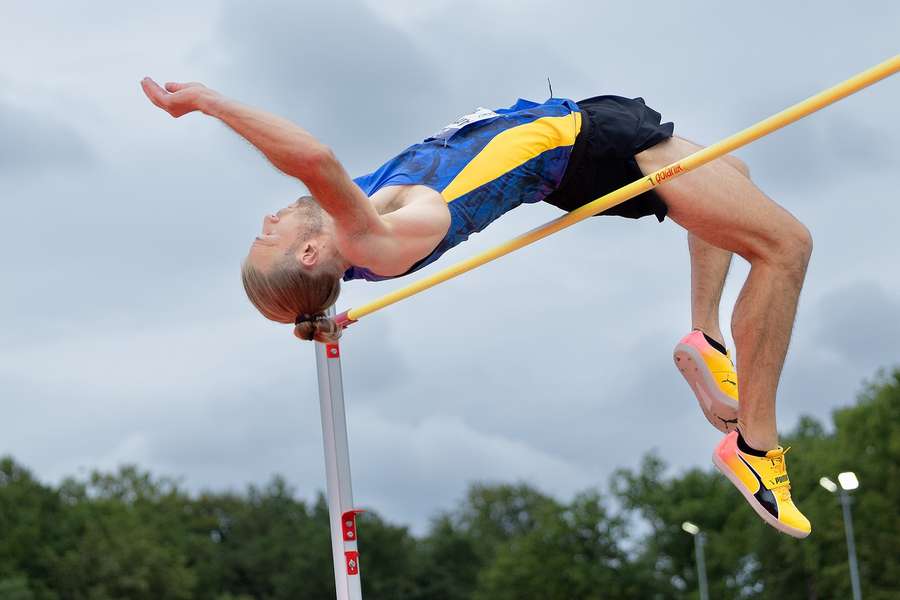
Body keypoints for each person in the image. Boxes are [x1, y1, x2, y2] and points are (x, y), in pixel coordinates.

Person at [141, 77, 813, 538]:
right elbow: (312, 157)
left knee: (737, 185)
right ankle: (756, 446)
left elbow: (315, 189)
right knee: (785, 247)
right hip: (586, 151)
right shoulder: (376, 233)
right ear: (312, 254)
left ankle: (704, 338)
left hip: (580, 126)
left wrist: (309, 316)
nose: (269, 215)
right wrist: (208, 103)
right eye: (269, 234)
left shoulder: (350, 218)